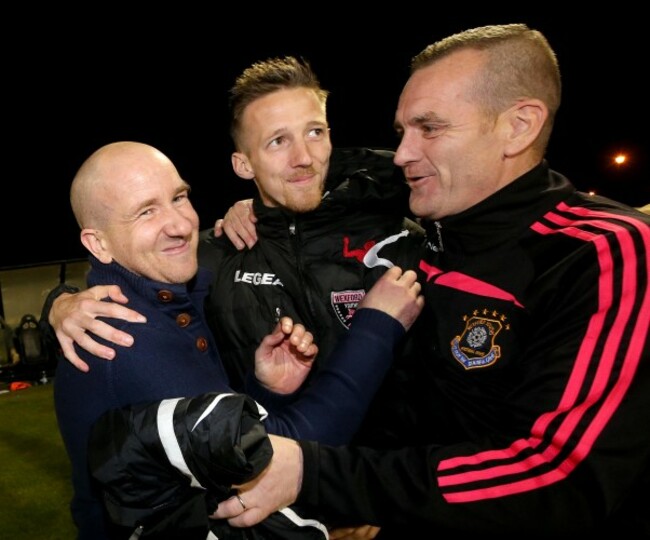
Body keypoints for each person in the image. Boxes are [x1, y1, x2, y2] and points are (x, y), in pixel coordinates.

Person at [209, 23, 650, 537]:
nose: (402, 154)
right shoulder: (430, 240)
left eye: (430, 128)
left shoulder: (603, 252)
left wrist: (323, 479)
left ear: (519, 125)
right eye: (401, 133)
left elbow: (560, 478)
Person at [55, 140, 423, 539]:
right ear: (98, 243)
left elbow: (212, 446)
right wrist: (377, 326)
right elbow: (273, 457)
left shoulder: (163, 301)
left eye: (179, 197)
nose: (180, 224)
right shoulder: (128, 340)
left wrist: (263, 392)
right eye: (146, 212)